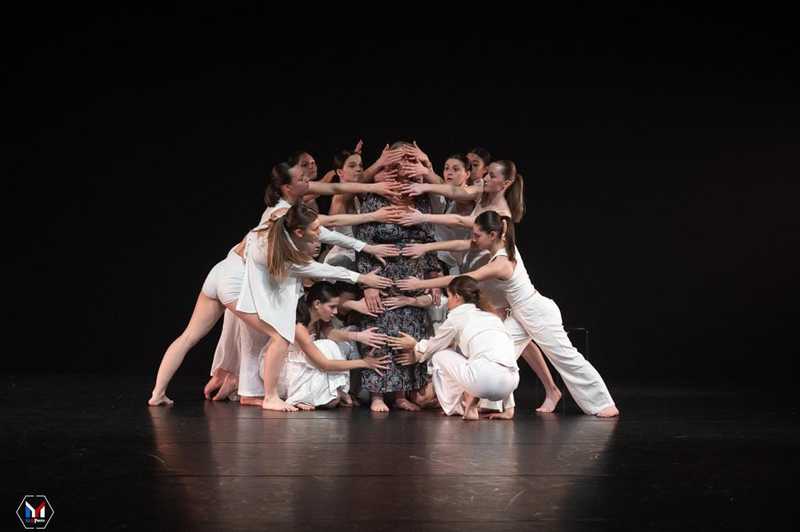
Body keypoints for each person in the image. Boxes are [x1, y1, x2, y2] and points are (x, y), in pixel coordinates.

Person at [397, 211, 619, 418]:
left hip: (537, 312)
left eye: (477, 235)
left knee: (565, 357)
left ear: (493, 235)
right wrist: (425, 226)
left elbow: (462, 280)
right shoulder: (501, 241)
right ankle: (499, 405)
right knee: (499, 354)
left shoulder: (501, 263)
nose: (473, 239)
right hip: (519, 314)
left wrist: (420, 284)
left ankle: (603, 404)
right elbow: (459, 221)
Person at [389, 276, 519, 420]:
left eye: (449, 296)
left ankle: (455, 408)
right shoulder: (491, 317)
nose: (448, 300)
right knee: (489, 359)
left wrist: (414, 344)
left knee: (440, 355)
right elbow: (506, 358)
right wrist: (509, 409)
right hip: (511, 383)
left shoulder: (457, 317)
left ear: (457, 297)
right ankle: (489, 408)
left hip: (484, 382)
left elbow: (434, 346)